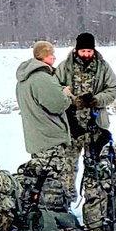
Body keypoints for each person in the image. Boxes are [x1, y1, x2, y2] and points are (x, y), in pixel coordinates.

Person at [55, 32, 116, 189]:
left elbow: (113, 88)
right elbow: (55, 88)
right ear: (77, 50)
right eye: (83, 51)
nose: (86, 54)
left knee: (96, 168)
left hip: (95, 126)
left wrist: (97, 100)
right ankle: (66, 202)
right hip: (71, 127)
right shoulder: (65, 67)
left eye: (89, 51)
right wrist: (72, 99)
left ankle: (95, 205)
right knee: (67, 168)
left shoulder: (103, 67)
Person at [15, 40, 77, 200]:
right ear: (45, 56)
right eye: (52, 54)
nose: (54, 58)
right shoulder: (41, 78)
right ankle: (57, 219)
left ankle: (43, 216)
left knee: (40, 182)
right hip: (51, 140)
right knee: (54, 185)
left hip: (37, 138)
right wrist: (67, 94)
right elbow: (58, 104)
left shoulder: (24, 78)